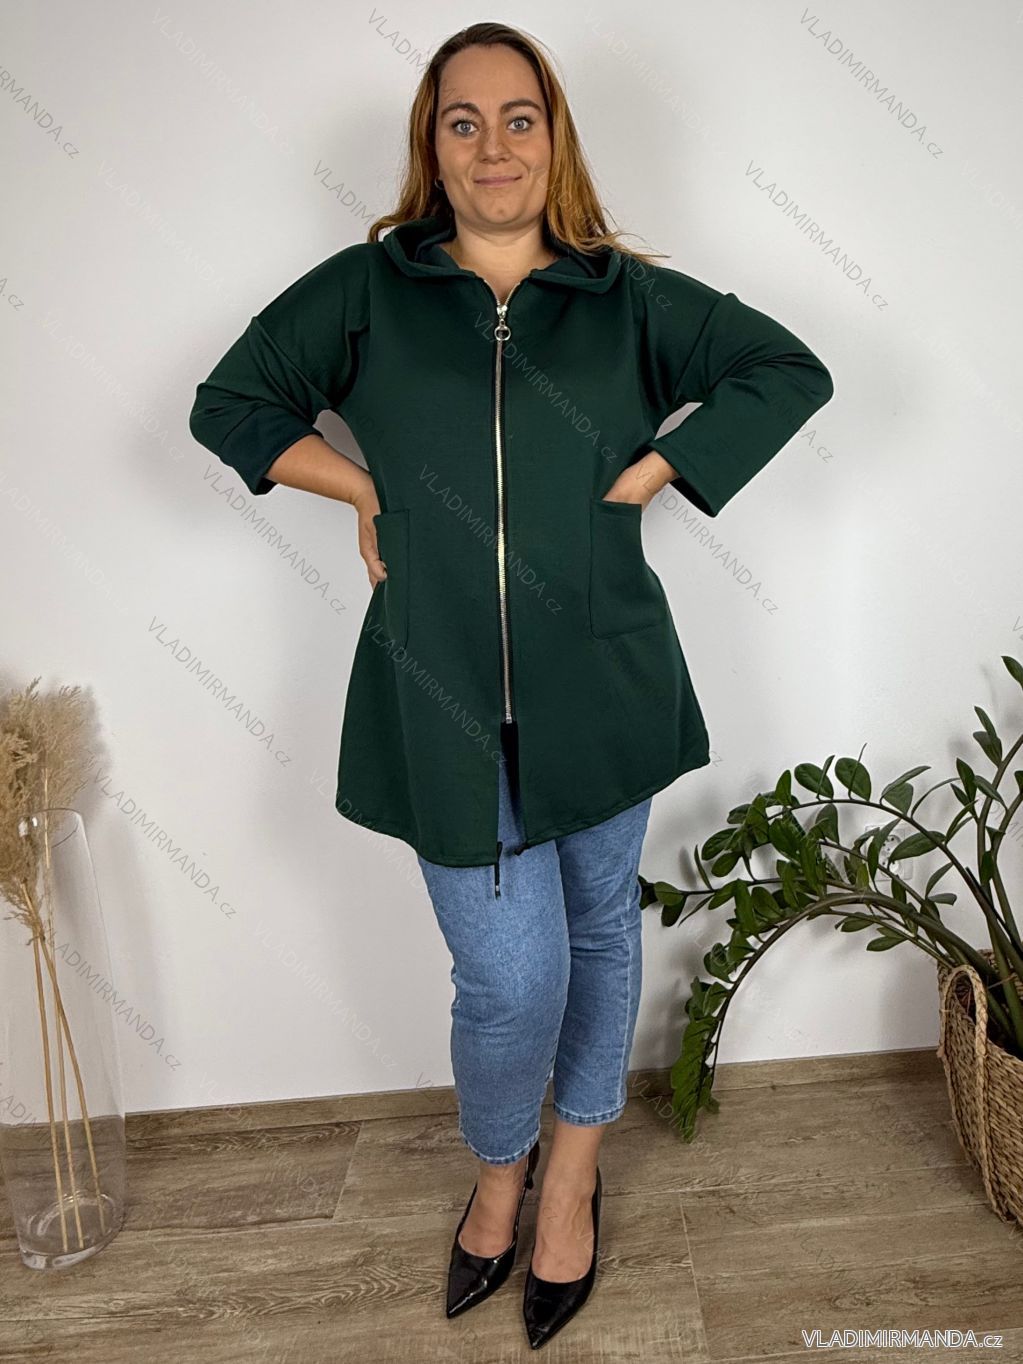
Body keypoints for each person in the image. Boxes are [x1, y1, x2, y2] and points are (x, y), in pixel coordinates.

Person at [188, 21, 833, 1351]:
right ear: (431, 144)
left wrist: (663, 468)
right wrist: (360, 486)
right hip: (436, 689)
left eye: (519, 117)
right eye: (463, 120)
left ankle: (572, 1175)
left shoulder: (624, 296)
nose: (494, 146)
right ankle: (500, 1169)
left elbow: (788, 369)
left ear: (556, 137)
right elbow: (232, 403)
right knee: (508, 978)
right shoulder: (364, 292)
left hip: (602, 677)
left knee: (599, 932)